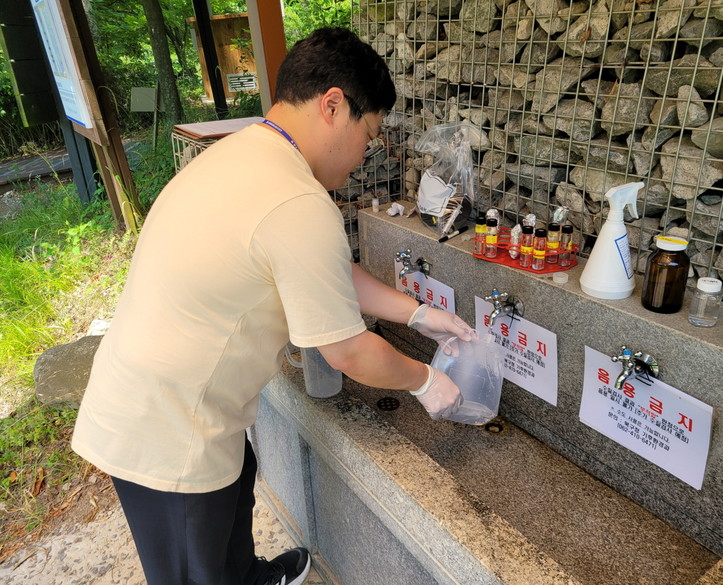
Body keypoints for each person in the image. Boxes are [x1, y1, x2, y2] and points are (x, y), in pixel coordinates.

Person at [72, 27, 475, 585]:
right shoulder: (298, 201)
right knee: (194, 567)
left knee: (234, 497)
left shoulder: (242, 152)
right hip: (168, 434)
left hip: (164, 397)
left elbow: (325, 274)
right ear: (333, 105)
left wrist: (418, 314)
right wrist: (426, 380)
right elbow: (348, 353)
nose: (363, 156)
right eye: (369, 135)